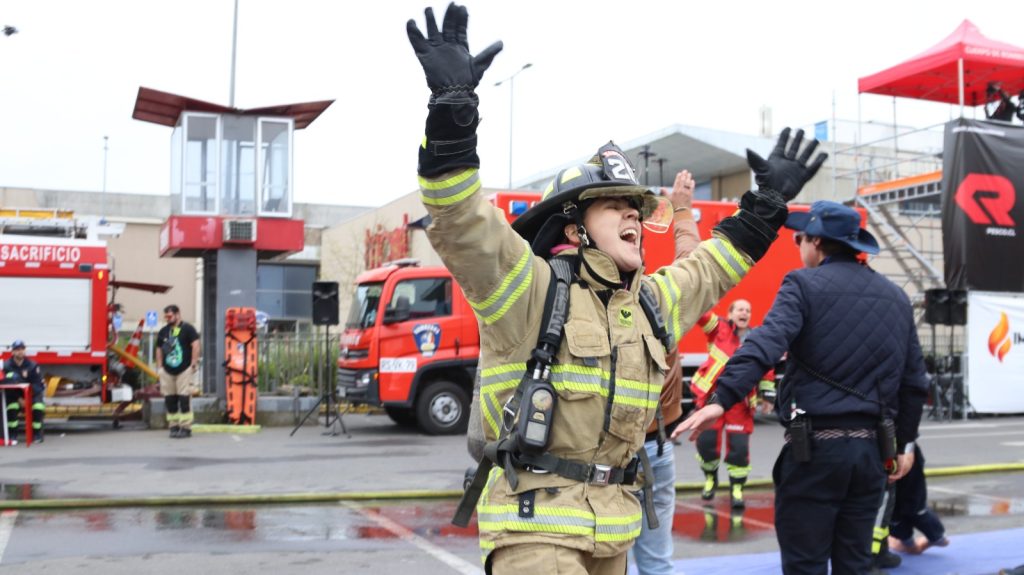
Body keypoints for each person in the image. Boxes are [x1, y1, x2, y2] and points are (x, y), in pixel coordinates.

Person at [406, 4, 826, 573]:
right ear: (576, 230)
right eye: (616, 205)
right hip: (536, 532)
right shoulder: (526, 290)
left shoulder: (650, 302)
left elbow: (716, 265)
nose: (633, 216)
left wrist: (768, 203)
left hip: (614, 531)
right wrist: (452, 114)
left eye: (636, 206)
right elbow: (460, 219)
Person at [674, 200, 930, 575]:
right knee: (855, 564)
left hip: (815, 453)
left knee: (805, 565)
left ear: (814, 242)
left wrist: (722, 397)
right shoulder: (895, 297)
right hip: (872, 455)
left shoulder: (802, 284)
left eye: (799, 239)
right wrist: (904, 444)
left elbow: (765, 343)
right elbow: (914, 383)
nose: (798, 246)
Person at [631, 170, 702, 575]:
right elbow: (691, 261)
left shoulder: (583, 303)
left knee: (607, 560)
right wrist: (683, 209)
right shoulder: (662, 303)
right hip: (657, 447)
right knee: (657, 563)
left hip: (605, 457)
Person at [690, 299, 776, 509]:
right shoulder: (718, 328)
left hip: (741, 401)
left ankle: (737, 488)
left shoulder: (757, 338)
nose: (744, 312)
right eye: (740, 309)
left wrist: (768, 395)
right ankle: (710, 479)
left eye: (748, 310)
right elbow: (701, 314)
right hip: (712, 399)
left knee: (738, 448)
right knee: (707, 445)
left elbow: (766, 367)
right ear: (730, 314)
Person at [887, 442, 949, 555]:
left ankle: (913, 543)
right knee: (910, 506)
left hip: (894, 450)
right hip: (896, 449)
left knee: (899, 508)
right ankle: (934, 538)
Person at [155, 304, 201, 439]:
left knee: (184, 398)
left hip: (184, 369)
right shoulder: (164, 331)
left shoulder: (188, 329)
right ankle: (173, 426)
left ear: (177, 314)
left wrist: (193, 363)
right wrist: (159, 367)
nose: (167, 319)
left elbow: (196, 345)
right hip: (167, 371)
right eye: (166, 317)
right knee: (170, 399)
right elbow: (158, 349)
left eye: (169, 316)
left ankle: (186, 427)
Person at [3, 340, 46, 444]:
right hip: (14, 396)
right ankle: (12, 434)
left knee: (38, 407)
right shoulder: (6, 366)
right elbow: (6, 385)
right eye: (17, 350)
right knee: (11, 407)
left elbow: (37, 384)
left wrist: (28, 398)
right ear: (12, 352)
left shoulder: (32, 365)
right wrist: (19, 399)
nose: (20, 351)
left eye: (22, 349)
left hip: (31, 394)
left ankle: (37, 434)